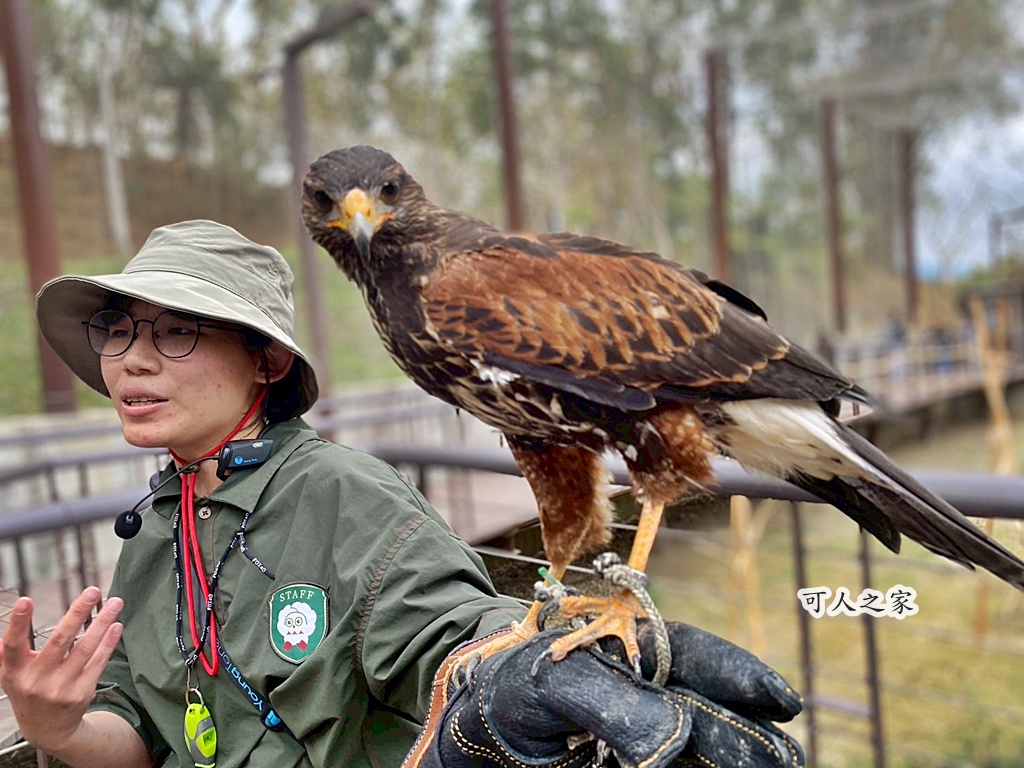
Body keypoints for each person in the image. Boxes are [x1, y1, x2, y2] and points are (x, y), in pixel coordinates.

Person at [1, 220, 804, 767]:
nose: (130, 362)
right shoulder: (151, 534)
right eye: (117, 328)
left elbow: (453, 631)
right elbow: (138, 734)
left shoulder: (344, 495)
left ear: (266, 363)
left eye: (174, 331)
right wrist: (58, 725)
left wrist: (512, 674)